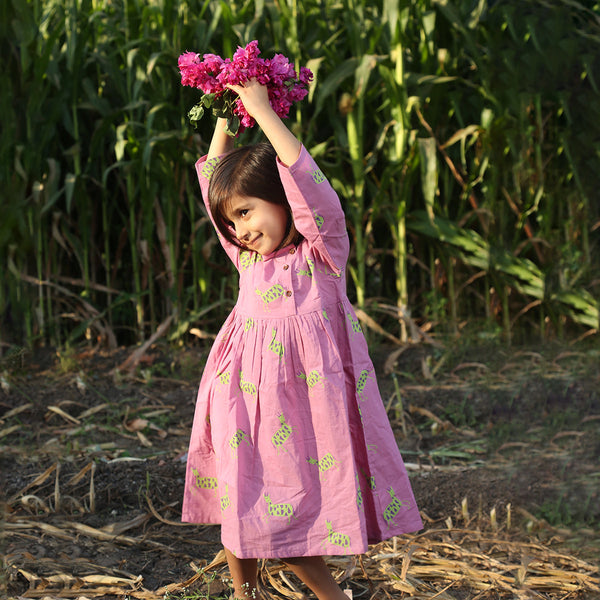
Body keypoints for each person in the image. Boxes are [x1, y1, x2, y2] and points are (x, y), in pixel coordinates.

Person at [182, 79, 423, 600]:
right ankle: (242, 594)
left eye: (247, 213)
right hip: (240, 398)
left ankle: (330, 596)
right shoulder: (248, 259)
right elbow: (210, 184)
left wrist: (262, 111)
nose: (238, 230)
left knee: (284, 509)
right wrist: (224, 109)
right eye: (231, 222)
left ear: (284, 201)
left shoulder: (323, 255)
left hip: (304, 410)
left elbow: (307, 180)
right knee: (240, 497)